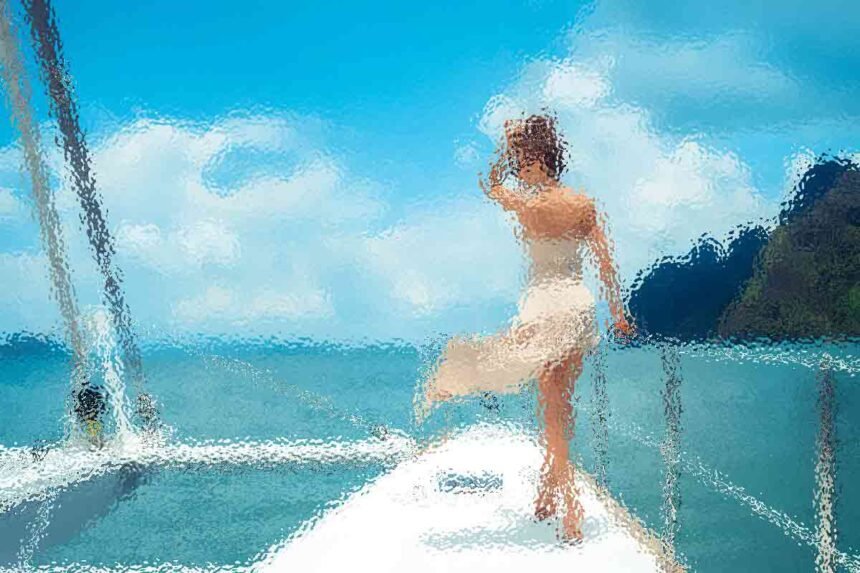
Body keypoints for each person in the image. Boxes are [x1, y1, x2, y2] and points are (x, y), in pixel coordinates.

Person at [417, 113, 632, 542]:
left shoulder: (528, 205)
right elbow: (606, 264)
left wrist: (506, 146)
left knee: (551, 412)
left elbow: (489, 183)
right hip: (579, 308)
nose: (518, 170)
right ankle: (547, 493)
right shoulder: (583, 204)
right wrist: (618, 313)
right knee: (560, 408)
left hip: (544, 309)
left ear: (534, 160)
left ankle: (571, 508)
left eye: (522, 162)